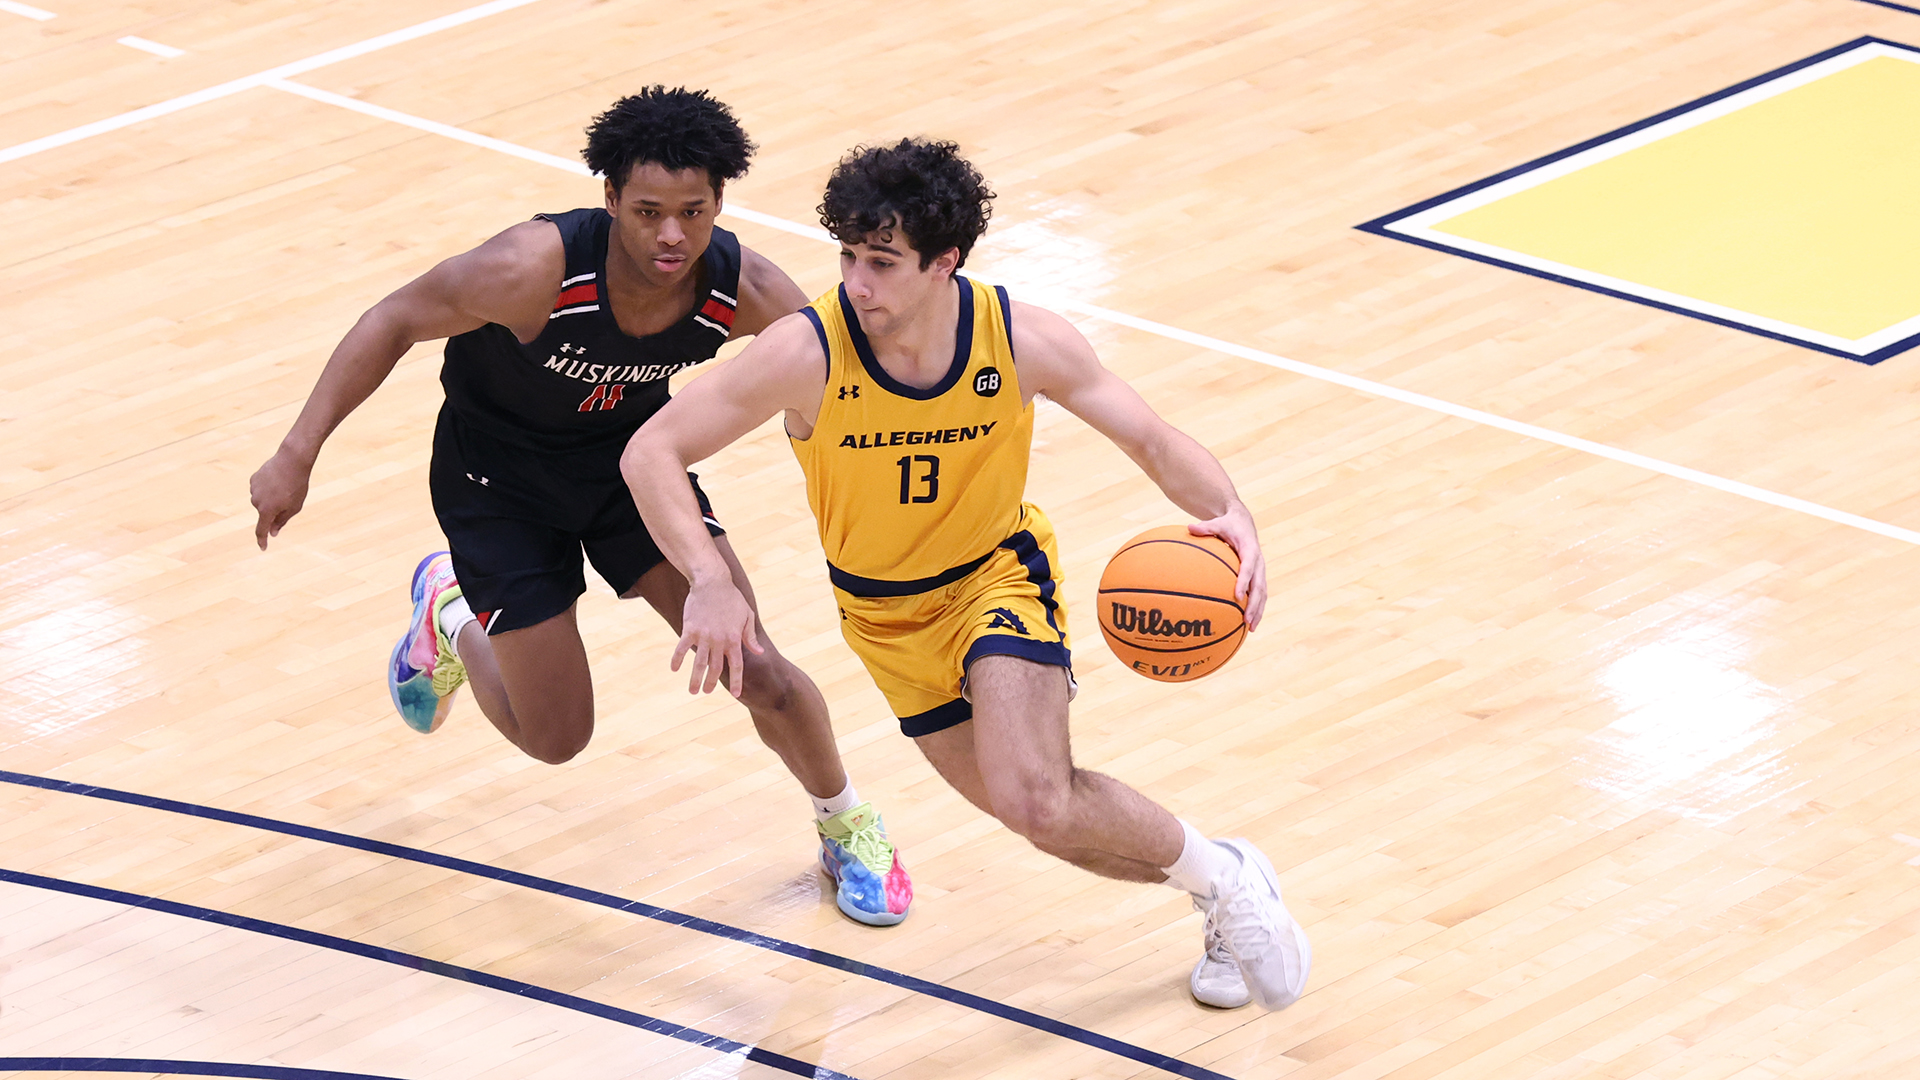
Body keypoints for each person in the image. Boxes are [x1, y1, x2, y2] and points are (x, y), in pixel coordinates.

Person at [618, 137, 1310, 1009]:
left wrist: (1232, 511)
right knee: (1043, 821)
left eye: (880, 262)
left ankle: (1235, 891)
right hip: (882, 620)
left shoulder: (1017, 340)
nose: (855, 283)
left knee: (1037, 792)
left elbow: (1152, 438)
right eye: (847, 256)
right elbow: (652, 451)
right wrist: (709, 577)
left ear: (945, 263)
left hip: (994, 580)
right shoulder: (809, 352)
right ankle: (1224, 879)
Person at [246, 88, 913, 927]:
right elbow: (391, 320)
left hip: (633, 469)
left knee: (759, 667)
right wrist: (297, 453)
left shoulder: (745, 289)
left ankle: (846, 825)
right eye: (647, 212)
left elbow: (845, 375)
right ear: (609, 201)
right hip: (498, 485)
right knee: (556, 736)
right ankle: (447, 612)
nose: (671, 235)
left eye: (693, 212)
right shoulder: (529, 271)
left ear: (719, 205)